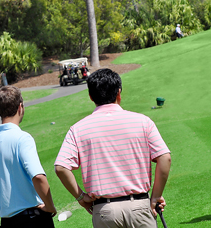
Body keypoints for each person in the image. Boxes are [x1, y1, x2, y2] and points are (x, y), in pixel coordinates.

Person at [54, 68, 171, 228]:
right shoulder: (143, 122)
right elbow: (165, 158)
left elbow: (61, 168)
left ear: (90, 96)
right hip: (140, 207)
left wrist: (81, 197)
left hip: (105, 211)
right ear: (119, 93)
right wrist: (156, 196)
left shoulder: (78, 129)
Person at [0, 86, 57, 228]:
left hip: (6, 222)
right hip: (32, 219)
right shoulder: (22, 138)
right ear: (20, 107)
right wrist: (50, 206)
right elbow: (38, 177)